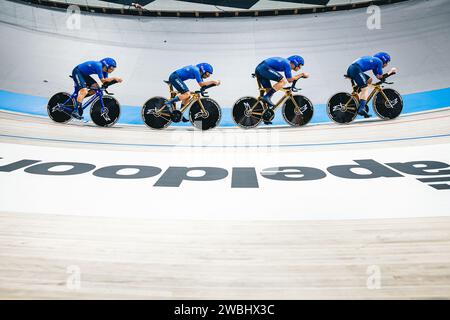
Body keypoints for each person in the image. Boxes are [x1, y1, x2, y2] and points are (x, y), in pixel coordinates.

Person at [254, 55, 309, 124]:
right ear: (295, 62)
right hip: (264, 68)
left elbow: (291, 78)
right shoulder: (287, 64)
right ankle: (266, 97)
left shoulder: (286, 63)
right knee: (283, 81)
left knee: (269, 90)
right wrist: (301, 74)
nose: (300, 68)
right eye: (300, 65)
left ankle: (266, 115)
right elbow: (290, 79)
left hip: (260, 68)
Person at [346, 52, 397, 118]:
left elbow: (379, 77)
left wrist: (383, 78)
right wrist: (391, 72)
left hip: (353, 68)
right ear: (384, 61)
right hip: (355, 69)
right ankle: (361, 109)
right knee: (365, 88)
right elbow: (381, 77)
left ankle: (358, 99)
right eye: (387, 62)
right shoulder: (379, 62)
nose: (386, 65)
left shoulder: (375, 62)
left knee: (369, 80)